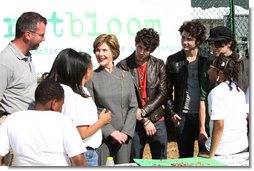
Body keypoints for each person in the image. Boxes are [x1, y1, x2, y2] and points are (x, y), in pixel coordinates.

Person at [46, 48, 111, 166]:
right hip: (83, 152)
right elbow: (82, 132)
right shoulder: (73, 93)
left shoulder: (55, 89)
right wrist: (102, 121)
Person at [0, 79, 87, 166]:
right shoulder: (64, 121)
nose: (61, 109)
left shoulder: (12, 119)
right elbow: (79, 160)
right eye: (62, 105)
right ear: (54, 103)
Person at [0, 11, 47, 165]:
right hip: (11, 131)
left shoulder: (26, 56)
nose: (43, 39)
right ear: (28, 34)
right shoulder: (5, 61)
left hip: (26, 129)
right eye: (41, 35)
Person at [116, 28, 168, 160]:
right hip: (134, 121)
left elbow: (162, 93)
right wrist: (144, 121)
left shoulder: (158, 64)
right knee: (134, 160)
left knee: (161, 161)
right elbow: (125, 97)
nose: (141, 52)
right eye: (139, 47)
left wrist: (144, 112)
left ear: (152, 50)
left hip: (157, 118)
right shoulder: (123, 66)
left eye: (146, 49)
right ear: (135, 43)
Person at [86, 34, 138, 165]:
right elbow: (91, 108)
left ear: (113, 52)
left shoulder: (125, 76)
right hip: (104, 136)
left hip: (124, 137)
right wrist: (111, 132)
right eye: (97, 50)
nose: (100, 54)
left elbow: (133, 107)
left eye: (104, 50)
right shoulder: (92, 77)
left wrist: (125, 132)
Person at [198, 26, 249, 148]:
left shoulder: (245, 64)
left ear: (230, 43)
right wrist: (202, 128)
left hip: (239, 129)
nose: (213, 46)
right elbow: (202, 98)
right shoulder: (210, 65)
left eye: (218, 43)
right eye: (211, 43)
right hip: (215, 125)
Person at [165, 20, 209, 158]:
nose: (185, 42)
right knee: (185, 157)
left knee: (206, 155)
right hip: (183, 116)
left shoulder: (208, 60)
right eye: (183, 37)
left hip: (206, 116)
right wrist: (172, 112)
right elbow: (166, 91)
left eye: (189, 39)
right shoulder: (173, 60)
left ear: (199, 40)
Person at [200, 56, 249, 157]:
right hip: (242, 147)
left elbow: (219, 125)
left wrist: (211, 154)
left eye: (212, 68)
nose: (209, 71)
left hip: (221, 151)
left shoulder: (216, 93)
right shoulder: (239, 91)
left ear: (220, 73)